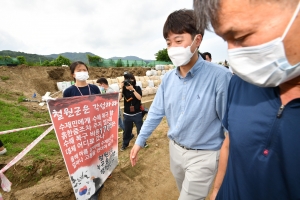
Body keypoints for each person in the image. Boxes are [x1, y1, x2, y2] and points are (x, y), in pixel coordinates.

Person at [194, 1, 300, 200]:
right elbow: (229, 141)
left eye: (241, 36)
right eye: (226, 40)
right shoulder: (241, 83)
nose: (234, 56)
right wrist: (216, 191)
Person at [130, 9, 232, 200]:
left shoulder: (220, 77)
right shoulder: (168, 79)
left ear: (197, 40)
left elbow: (230, 127)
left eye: (178, 41)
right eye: (169, 43)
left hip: (204, 155)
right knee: (182, 191)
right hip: (175, 150)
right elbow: (155, 112)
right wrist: (139, 140)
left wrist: (223, 178)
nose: (172, 48)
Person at [63, 61, 102, 200]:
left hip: (96, 132)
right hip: (80, 134)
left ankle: (98, 180)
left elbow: (101, 107)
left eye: (84, 69)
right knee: (85, 161)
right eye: (79, 70)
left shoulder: (95, 89)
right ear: (73, 74)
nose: (82, 72)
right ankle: (91, 190)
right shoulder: (68, 92)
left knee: (96, 157)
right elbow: (66, 115)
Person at [120, 72, 147, 151]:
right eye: (126, 79)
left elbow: (139, 98)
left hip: (137, 113)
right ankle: (125, 144)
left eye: (129, 79)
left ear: (133, 79)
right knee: (127, 131)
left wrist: (133, 90)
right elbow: (118, 99)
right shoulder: (124, 90)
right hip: (127, 114)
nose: (128, 81)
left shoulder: (137, 88)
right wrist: (121, 89)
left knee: (140, 129)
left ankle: (142, 142)